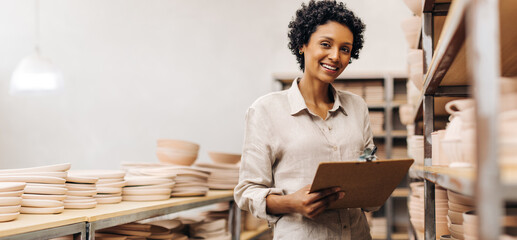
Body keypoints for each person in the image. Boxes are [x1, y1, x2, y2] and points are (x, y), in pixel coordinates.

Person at [234, 1, 376, 239]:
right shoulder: (266, 110)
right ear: (302, 44)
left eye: (345, 49)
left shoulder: (357, 107)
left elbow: (367, 158)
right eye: (325, 44)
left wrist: (372, 170)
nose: (335, 56)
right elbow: (247, 192)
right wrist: (291, 203)